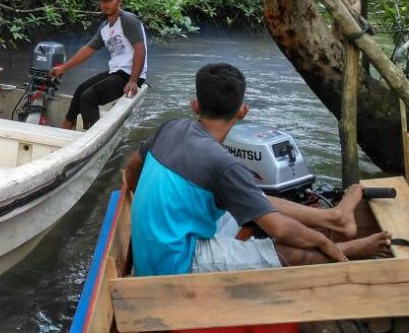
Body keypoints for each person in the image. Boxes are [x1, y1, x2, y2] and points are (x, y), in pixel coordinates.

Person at [123, 62, 390, 276]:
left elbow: (132, 167)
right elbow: (281, 231)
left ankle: (333, 217)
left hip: (153, 252)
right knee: (286, 249)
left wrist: (158, 208)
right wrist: (324, 243)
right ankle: (347, 248)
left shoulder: (171, 127)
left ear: (195, 105)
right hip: (176, 266)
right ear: (243, 111)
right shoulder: (224, 163)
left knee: (252, 199)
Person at [49, 0, 147, 130]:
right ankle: (68, 123)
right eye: (102, 1)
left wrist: (133, 80)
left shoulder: (128, 20)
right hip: (117, 72)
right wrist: (63, 67)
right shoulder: (105, 28)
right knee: (81, 89)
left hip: (131, 75)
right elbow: (87, 50)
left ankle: (90, 134)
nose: (104, 4)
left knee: (89, 97)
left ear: (119, 1)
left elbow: (141, 49)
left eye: (109, 0)